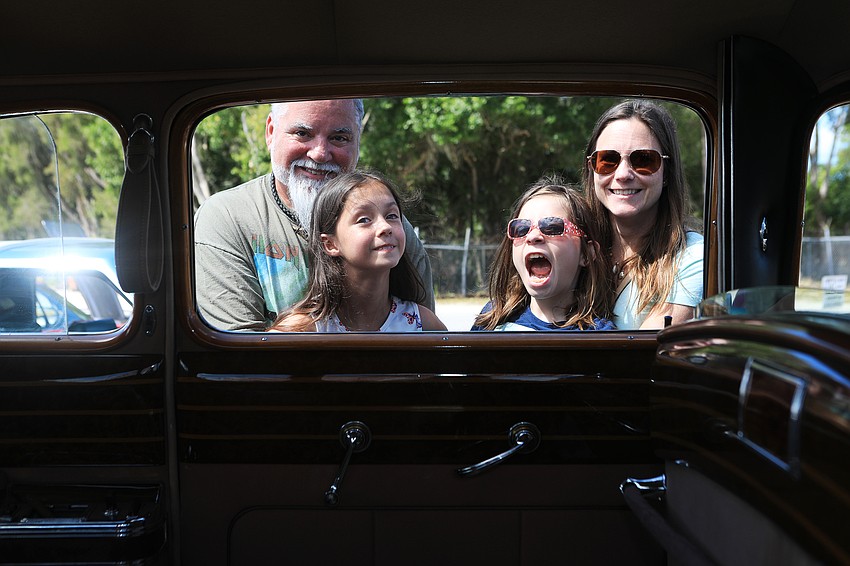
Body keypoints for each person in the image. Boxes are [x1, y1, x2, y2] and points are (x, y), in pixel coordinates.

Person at [194, 99, 434, 331]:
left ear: (358, 141)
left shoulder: (391, 230)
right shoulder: (227, 217)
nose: (319, 154)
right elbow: (241, 357)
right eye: (302, 134)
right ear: (270, 132)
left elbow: (422, 344)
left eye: (339, 138)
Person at [269, 170, 446, 332]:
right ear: (330, 244)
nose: (385, 227)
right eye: (364, 219)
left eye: (392, 215)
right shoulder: (301, 330)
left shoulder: (423, 323)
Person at [582, 99, 703, 329]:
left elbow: (639, 357)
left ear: (667, 172)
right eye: (608, 160)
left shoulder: (691, 257)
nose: (623, 174)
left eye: (643, 160)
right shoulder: (574, 247)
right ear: (591, 170)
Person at [471, 177, 613, 331]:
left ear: (586, 254)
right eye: (520, 228)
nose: (532, 237)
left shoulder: (600, 337)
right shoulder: (493, 319)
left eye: (552, 227)